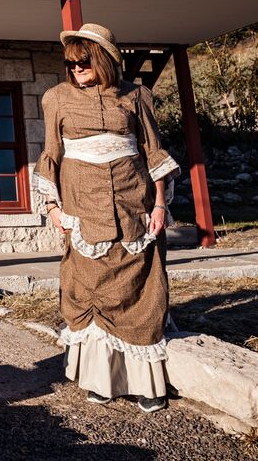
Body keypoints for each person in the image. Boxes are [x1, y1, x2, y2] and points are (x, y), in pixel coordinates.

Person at [32, 23, 181, 413]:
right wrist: (52, 208)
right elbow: (51, 155)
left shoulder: (137, 96)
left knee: (140, 290)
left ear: (104, 60)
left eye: (84, 60)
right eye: (70, 62)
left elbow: (154, 153)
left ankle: (148, 384)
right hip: (82, 209)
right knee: (90, 286)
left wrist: (161, 204)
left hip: (134, 205)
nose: (76, 67)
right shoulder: (56, 99)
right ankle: (104, 381)